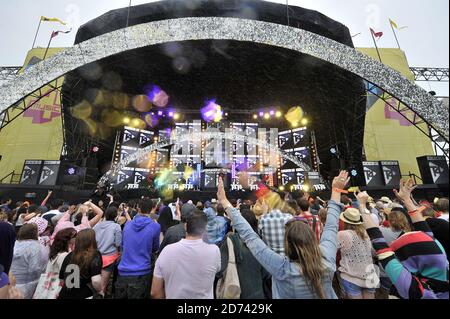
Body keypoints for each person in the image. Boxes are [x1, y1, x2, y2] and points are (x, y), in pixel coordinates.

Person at [216, 171, 350, 299]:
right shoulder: (327, 260)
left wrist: (224, 201)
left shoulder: (281, 268)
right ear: (312, 238)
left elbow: (250, 236)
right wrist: (336, 191)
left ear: (288, 244)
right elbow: (332, 225)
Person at [358, 179, 449, 299]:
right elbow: (425, 232)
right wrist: (406, 199)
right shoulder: (439, 262)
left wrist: (362, 206)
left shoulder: (415, 289)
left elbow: (381, 248)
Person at [151, 211, 221, 299]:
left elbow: (155, 292)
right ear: (205, 229)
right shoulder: (214, 251)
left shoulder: (167, 251)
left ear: (185, 226)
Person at [218, 209, 270, 299]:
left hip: (233, 294)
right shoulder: (262, 243)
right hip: (257, 294)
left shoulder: (229, 242)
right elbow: (267, 274)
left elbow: (219, 270)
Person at [115, 198, 161, 299]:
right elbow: (155, 248)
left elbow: (122, 245)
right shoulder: (155, 226)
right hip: (142, 273)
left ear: (138, 208)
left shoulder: (128, 225)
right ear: (153, 208)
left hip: (123, 272)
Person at [337, 207, 376, 299]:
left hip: (351, 276)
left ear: (344, 221)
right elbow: (373, 252)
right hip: (370, 275)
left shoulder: (343, 234)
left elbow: (330, 250)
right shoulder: (367, 233)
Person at [58, 229, 103, 299]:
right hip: (84, 294)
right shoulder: (94, 254)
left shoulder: (69, 255)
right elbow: (96, 280)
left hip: (64, 294)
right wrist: (100, 291)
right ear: (92, 241)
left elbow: (61, 279)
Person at [33, 228, 77, 299]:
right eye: (75, 236)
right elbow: (69, 278)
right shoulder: (65, 255)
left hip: (47, 286)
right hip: (56, 287)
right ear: (68, 240)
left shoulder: (56, 253)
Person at [10, 223, 48, 299]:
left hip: (10, 281)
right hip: (28, 285)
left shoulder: (14, 244)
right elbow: (37, 268)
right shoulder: (38, 247)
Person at [93, 206, 122, 295]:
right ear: (115, 215)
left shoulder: (97, 225)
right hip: (110, 258)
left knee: (95, 283)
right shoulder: (116, 227)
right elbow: (118, 243)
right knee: (103, 286)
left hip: (96, 257)